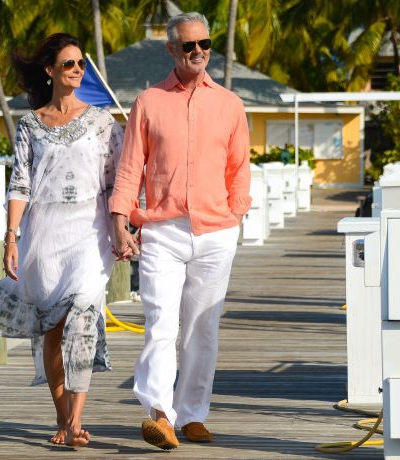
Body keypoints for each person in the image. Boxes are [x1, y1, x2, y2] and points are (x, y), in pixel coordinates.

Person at [0, 33, 123, 447]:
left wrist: (124, 228)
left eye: (81, 64)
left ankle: (77, 421)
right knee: (51, 329)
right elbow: (20, 184)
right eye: (69, 64)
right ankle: (62, 418)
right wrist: (11, 236)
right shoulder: (31, 125)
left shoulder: (102, 123)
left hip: (89, 235)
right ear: (50, 71)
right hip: (44, 236)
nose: (77, 71)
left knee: (81, 319)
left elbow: (117, 182)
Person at [108, 12, 252, 451]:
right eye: (188, 46)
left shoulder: (230, 104)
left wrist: (236, 211)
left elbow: (239, 168)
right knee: (161, 324)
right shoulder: (149, 102)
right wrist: (120, 218)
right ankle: (159, 414)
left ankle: (192, 415)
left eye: (204, 44)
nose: (198, 52)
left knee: (202, 329)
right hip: (164, 231)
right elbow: (131, 165)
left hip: (216, 232)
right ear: (171, 49)